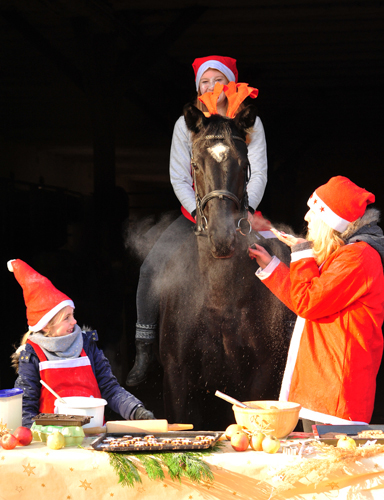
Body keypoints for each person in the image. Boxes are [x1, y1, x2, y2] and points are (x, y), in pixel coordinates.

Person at [127, 55, 268, 385]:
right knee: (150, 269)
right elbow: (179, 177)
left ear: (230, 84)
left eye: (218, 79)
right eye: (205, 82)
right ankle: (144, 349)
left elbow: (258, 172)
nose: (211, 86)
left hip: (238, 212)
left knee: (276, 262)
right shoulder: (185, 125)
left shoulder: (250, 122)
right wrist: (200, 214)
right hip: (196, 213)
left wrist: (244, 211)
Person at [248, 176, 384, 431]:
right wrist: (271, 266)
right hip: (323, 388)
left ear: (330, 222)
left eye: (314, 212)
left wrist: (303, 254)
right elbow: (310, 297)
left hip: (336, 395)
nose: (306, 218)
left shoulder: (358, 257)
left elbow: (309, 303)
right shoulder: (346, 255)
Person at [8, 259, 155, 428]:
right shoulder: (32, 355)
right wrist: (34, 441)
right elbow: (26, 407)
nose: (74, 321)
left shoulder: (87, 345)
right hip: (53, 444)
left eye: (72, 314)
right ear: (47, 325)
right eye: (66, 318)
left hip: (94, 435)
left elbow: (110, 388)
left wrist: (136, 411)